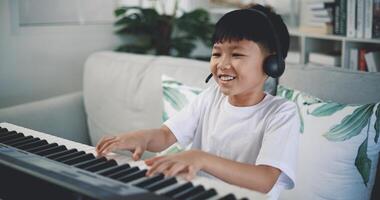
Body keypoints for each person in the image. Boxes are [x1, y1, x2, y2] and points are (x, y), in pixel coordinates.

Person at [96, 4, 300, 199]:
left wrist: (200, 158)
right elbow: (166, 135)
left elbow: (264, 179)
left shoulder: (281, 112)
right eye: (216, 53)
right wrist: (141, 137)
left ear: (272, 64)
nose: (222, 64)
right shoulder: (210, 98)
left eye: (237, 54)